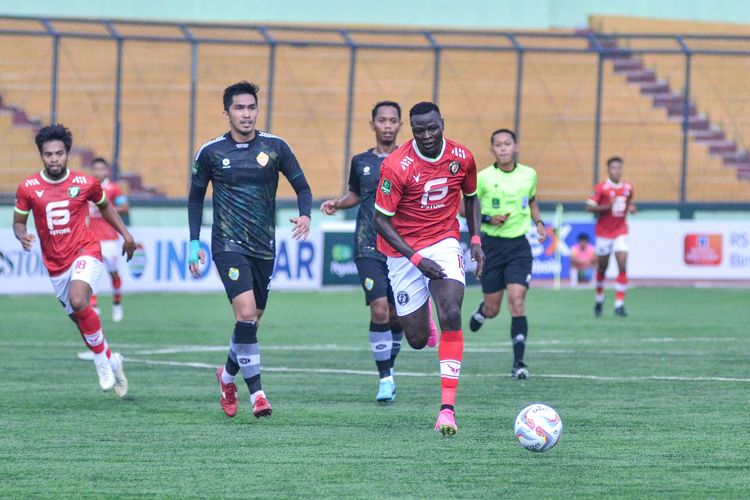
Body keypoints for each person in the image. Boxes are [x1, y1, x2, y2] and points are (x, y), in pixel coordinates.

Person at [188, 81, 312, 419]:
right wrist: (194, 242)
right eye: (239, 108)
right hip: (227, 244)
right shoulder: (211, 152)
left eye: (251, 108)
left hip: (264, 247)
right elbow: (196, 197)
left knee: (251, 322)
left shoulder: (275, 147)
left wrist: (305, 214)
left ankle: (226, 377)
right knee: (244, 314)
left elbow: (302, 186)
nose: (246, 114)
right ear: (226, 112)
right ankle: (258, 394)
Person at [373, 101, 484, 436]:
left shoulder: (462, 157)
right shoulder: (397, 165)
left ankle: (447, 410)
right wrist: (417, 260)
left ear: (442, 124)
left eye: (432, 128)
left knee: (452, 311)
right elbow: (380, 220)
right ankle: (427, 323)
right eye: (419, 130)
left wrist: (476, 240)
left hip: (444, 239)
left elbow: (472, 197)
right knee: (418, 340)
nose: (426, 136)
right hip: (403, 251)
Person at [320, 101, 439, 404]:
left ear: (401, 125)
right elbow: (356, 195)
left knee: (398, 315)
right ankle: (385, 378)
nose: (387, 125)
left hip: (400, 246)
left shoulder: (411, 159)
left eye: (393, 121)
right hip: (368, 244)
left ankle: (391, 365)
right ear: (371, 124)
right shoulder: (360, 161)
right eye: (382, 120)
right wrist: (338, 203)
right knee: (379, 309)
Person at [13, 124, 135, 397]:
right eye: (48, 154)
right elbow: (19, 223)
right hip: (55, 263)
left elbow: (106, 207)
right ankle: (111, 358)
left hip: (86, 250)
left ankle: (101, 361)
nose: (54, 159)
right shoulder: (28, 188)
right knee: (79, 318)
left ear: (67, 153)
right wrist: (22, 236)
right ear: (41, 155)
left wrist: (126, 235)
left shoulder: (85, 183)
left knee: (80, 300)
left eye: (59, 153)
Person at [465, 129, 546, 380]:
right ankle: (483, 310)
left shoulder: (529, 174)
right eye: (498, 145)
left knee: (517, 300)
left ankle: (519, 363)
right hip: (491, 247)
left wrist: (539, 223)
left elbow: (531, 200)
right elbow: (463, 209)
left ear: (515, 146)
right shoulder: (483, 178)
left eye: (507, 144)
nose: (503, 148)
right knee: (493, 308)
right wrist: (489, 218)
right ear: (492, 149)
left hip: (519, 247)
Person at [586, 156, 635, 317]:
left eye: (619, 168)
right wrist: (607, 207)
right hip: (604, 233)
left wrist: (631, 208)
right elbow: (589, 208)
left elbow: (627, 204)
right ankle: (599, 298)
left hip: (621, 231)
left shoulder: (628, 187)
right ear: (608, 169)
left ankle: (619, 304)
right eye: (613, 168)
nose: (617, 171)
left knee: (622, 263)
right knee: (602, 267)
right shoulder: (601, 188)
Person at [87, 157, 130, 322]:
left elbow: (125, 207)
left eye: (101, 169)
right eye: (95, 169)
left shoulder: (113, 189)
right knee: (90, 273)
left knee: (112, 272)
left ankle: (117, 303)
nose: (98, 172)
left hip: (109, 239)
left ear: (106, 171)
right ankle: (94, 306)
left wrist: (106, 209)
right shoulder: (87, 188)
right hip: (91, 238)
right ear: (92, 170)